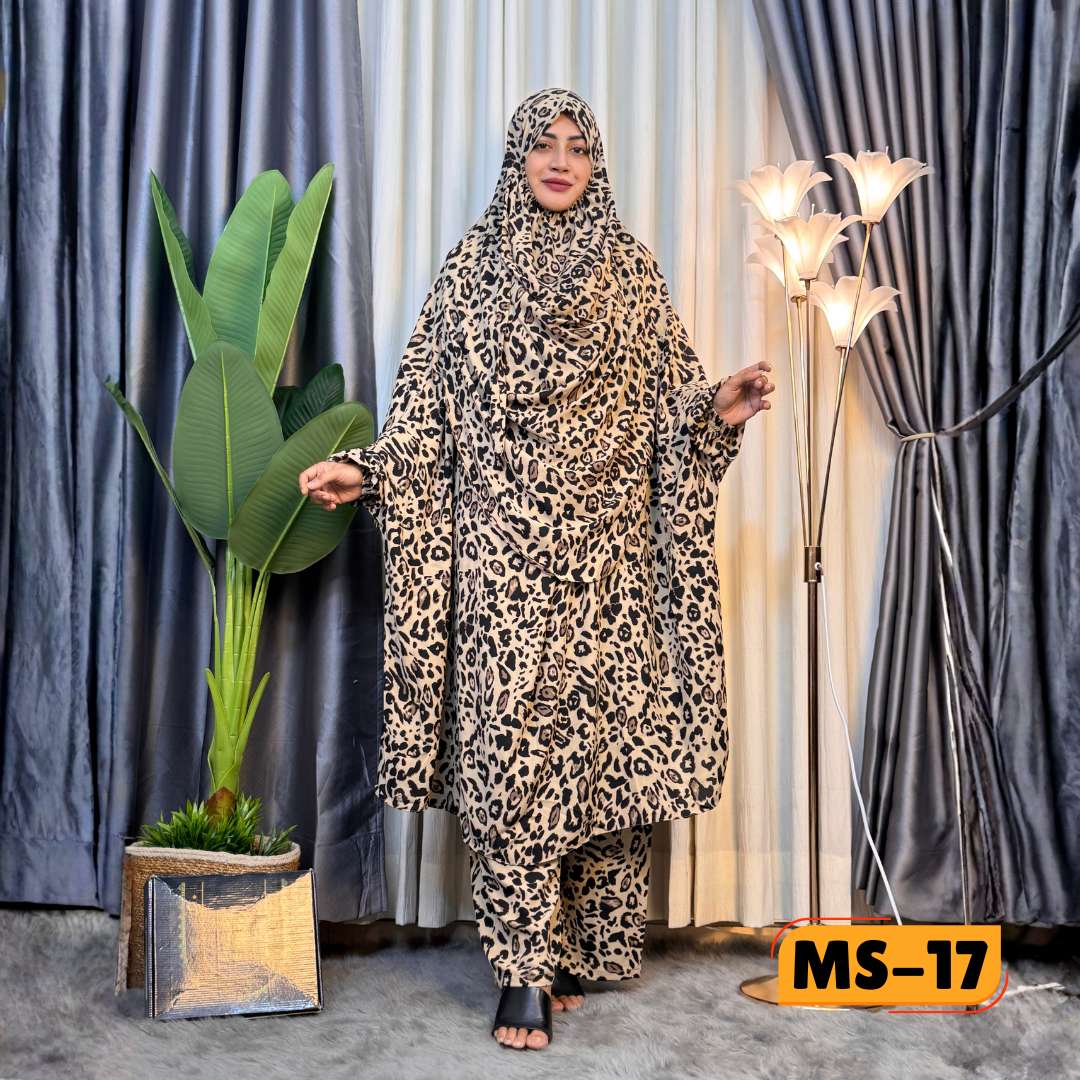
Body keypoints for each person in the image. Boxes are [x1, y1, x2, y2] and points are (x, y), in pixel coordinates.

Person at [298, 87, 774, 1051]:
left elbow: (673, 409)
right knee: (513, 762)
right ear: (518, 158)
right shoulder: (471, 269)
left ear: (596, 165)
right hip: (502, 565)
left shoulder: (631, 271)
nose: (561, 161)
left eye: (578, 147)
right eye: (544, 145)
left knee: (601, 763)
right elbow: (426, 416)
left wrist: (716, 411)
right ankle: (520, 967)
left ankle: (570, 948)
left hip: (610, 568)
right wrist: (369, 471)